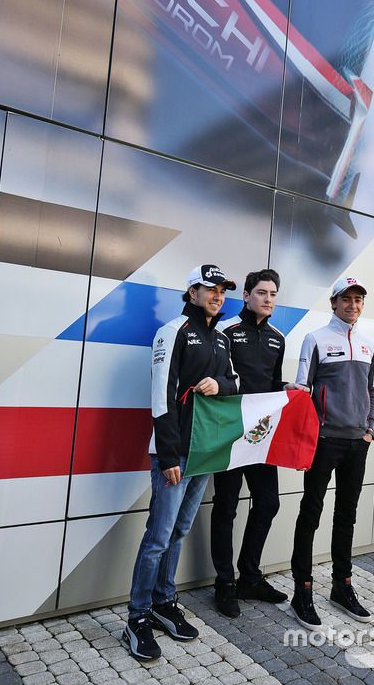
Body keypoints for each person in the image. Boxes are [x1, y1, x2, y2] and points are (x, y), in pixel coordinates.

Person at [123, 264, 238, 660]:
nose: (217, 295)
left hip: (205, 451)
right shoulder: (172, 331)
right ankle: (137, 616)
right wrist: (168, 453)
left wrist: (219, 384)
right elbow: (161, 395)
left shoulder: (221, 338)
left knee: (178, 531)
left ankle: (164, 601)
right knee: (158, 536)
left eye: (222, 290)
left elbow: (235, 382)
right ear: (192, 293)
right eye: (210, 288)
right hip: (174, 454)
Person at [211, 268, 307, 617]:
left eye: (273, 294)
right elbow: (219, 380)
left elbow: (270, 384)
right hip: (229, 433)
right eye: (262, 293)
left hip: (261, 436)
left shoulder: (278, 338)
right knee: (226, 507)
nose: (268, 299)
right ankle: (224, 583)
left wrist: (285, 388)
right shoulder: (225, 330)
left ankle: (249, 577)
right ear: (246, 295)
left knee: (268, 503)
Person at [290, 275, 374, 629]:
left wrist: (370, 429)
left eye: (358, 299)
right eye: (346, 299)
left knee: (346, 516)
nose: (353, 305)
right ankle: (302, 590)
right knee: (310, 514)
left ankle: (342, 586)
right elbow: (301, 391)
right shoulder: (315, 339)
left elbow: (372, 390)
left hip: (357, 443)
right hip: (324, 442)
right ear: (334, 303)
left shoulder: (369, 344)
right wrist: (306, 439)